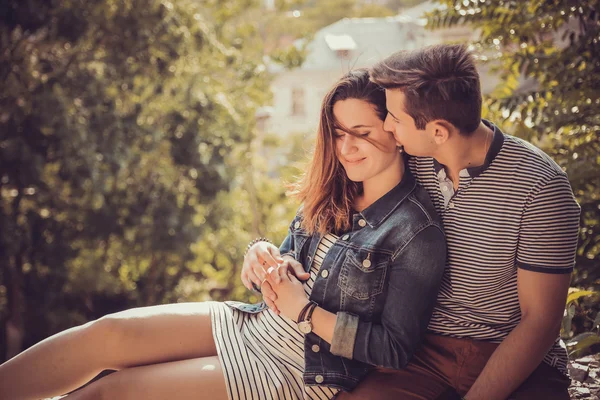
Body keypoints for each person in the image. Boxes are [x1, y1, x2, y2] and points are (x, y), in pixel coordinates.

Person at [0, 69, 447, 400]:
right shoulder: (337, 189)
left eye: (361, 134)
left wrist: (306, 311)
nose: (345, 147)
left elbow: (393, 349)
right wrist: (262, 256)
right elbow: (288, 259)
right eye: (337, 133)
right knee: (107, 334)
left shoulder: (415, 232)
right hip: (256, 326)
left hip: (299, 369)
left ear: (394, 131)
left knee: (112, 393)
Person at [247, 44, 580, 400]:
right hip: (420, 352)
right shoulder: (410, 157)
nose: (388, 128)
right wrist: (265, 254)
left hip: (506, 352)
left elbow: (541, 322)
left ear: (438, 131)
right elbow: (325, 214)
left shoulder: (540, 188)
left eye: (396, 119)